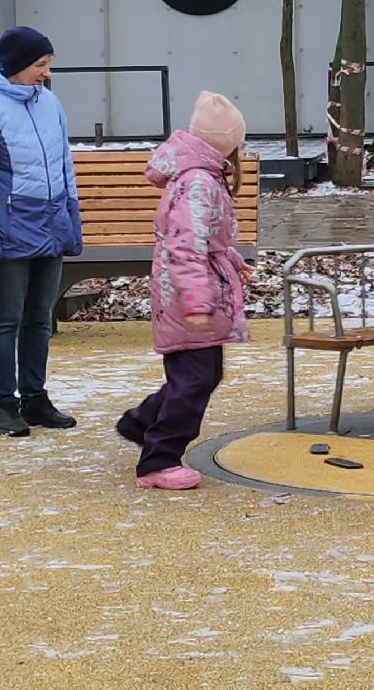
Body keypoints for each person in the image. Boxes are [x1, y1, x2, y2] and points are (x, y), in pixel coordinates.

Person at [0, 26, 83, 437]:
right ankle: (5, 406)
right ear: (17, 66)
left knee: (40, 319)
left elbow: (65, 165)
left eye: (47, 65)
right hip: (8, 232)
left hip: (49, 226)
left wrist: (71, 216)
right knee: (5, 320)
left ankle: (35, 398)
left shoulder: (50, 103)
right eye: (39, 66)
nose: (45, 73)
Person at [117, 91, 251, 491]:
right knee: (193, 380)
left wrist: (231, 259)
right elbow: (186, 246)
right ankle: (159, 459)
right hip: (188, 296)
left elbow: (205, 239)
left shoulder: (203, 176)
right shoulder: (198, 182)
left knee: (201, 374)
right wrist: (197, 300)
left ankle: (142, 422)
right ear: (225, 141)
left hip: (194, 289)